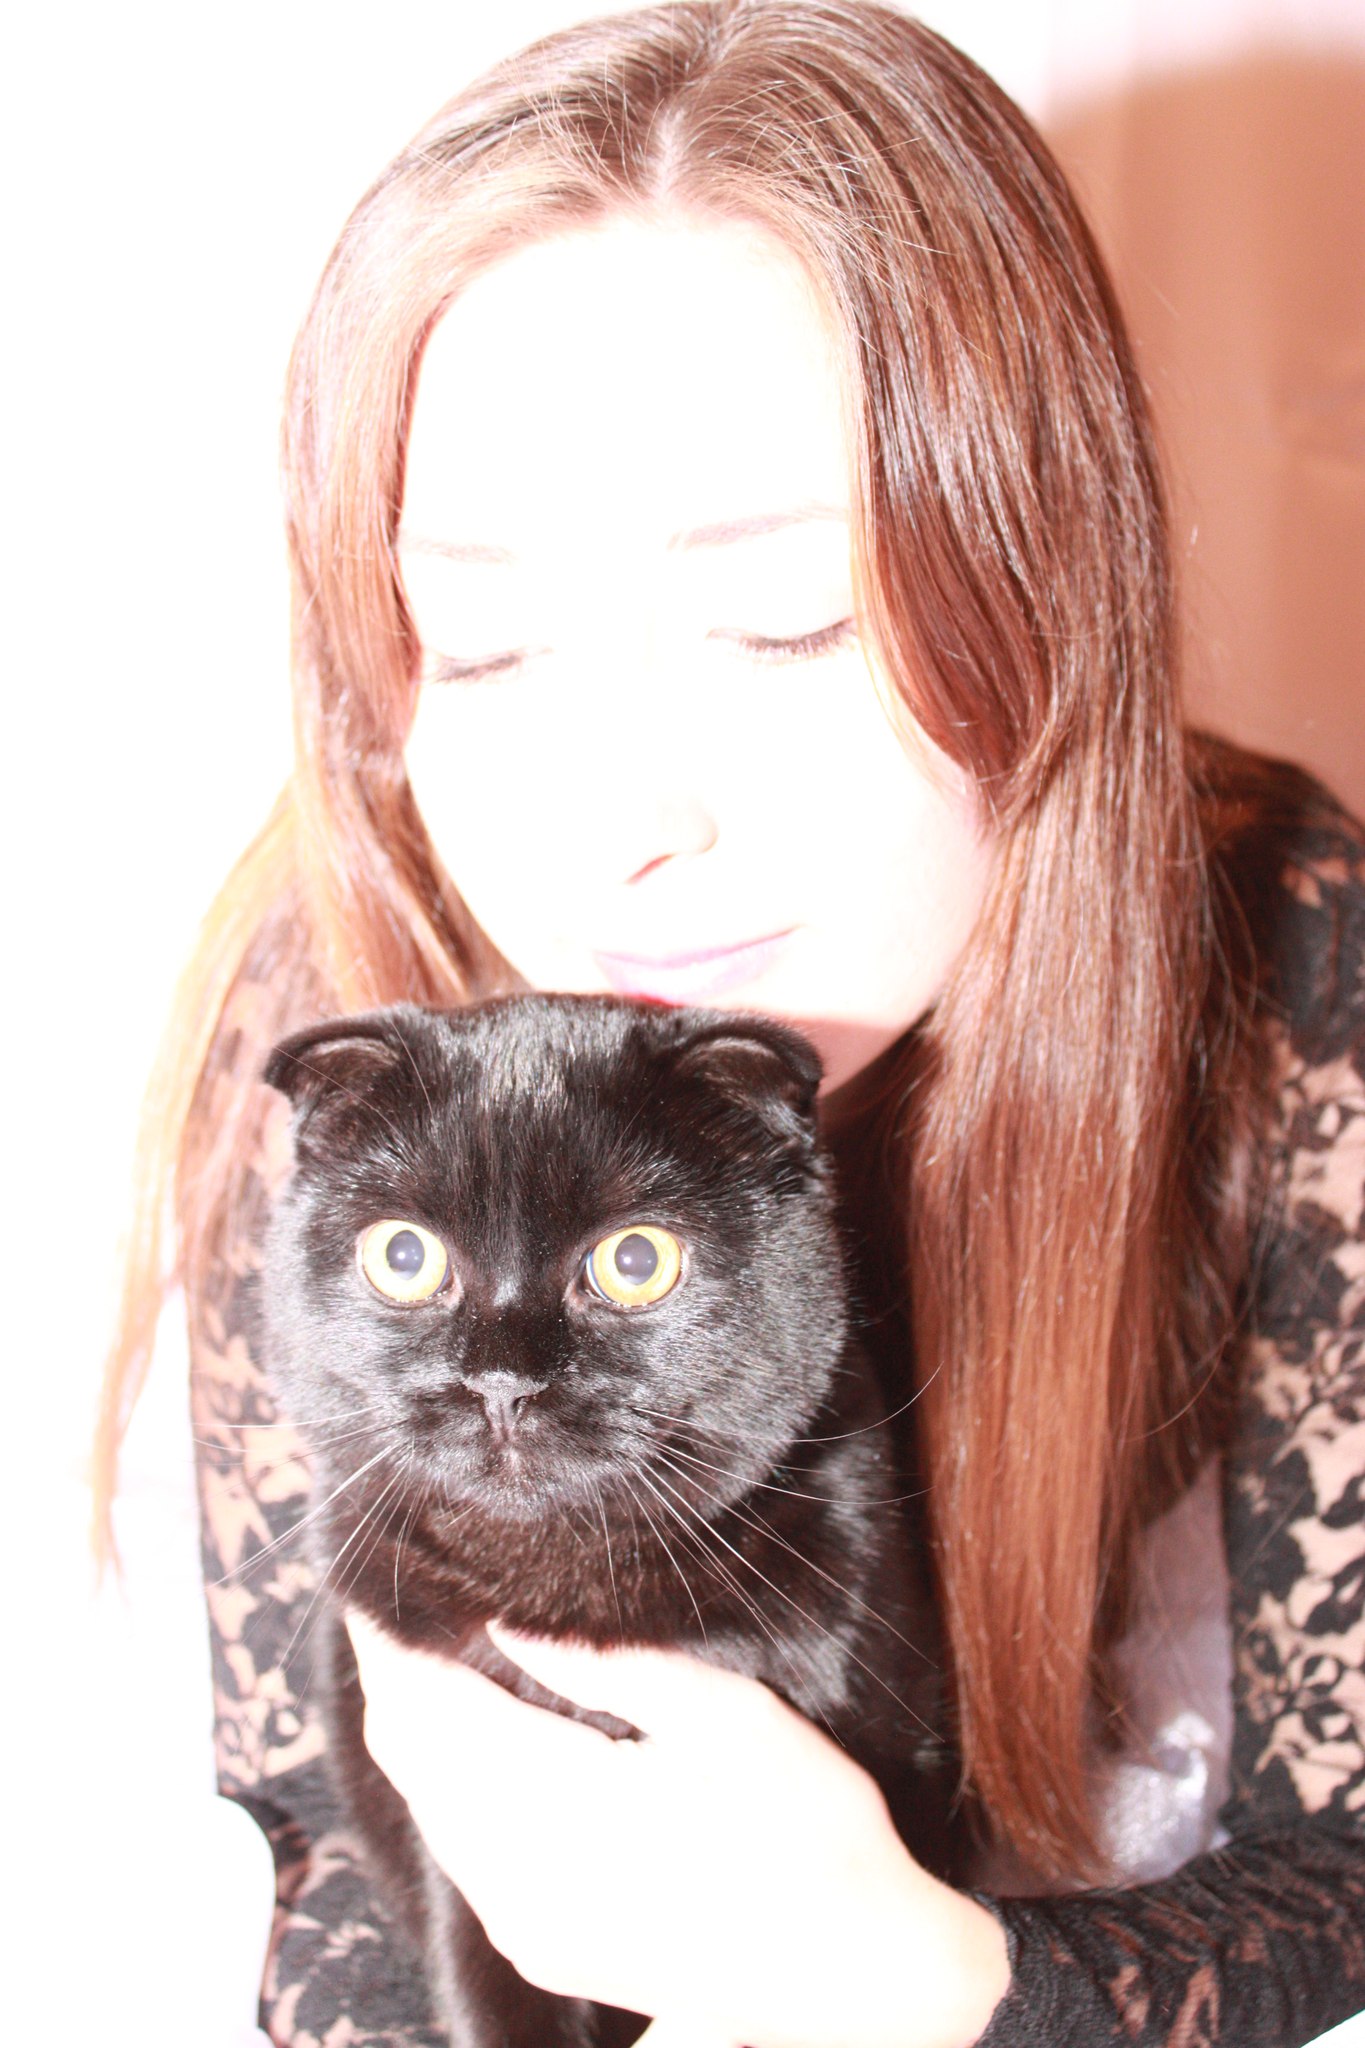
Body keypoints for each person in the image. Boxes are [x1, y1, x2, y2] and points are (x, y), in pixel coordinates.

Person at [95, 3, 1364, 2043]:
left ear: (1047, 589)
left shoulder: (1296, 972)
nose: (624, 825)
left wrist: (917, 1981)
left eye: (784, 624)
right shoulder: (345, 994)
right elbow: (322, 1838)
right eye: (482, 645)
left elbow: (1347, 1858)